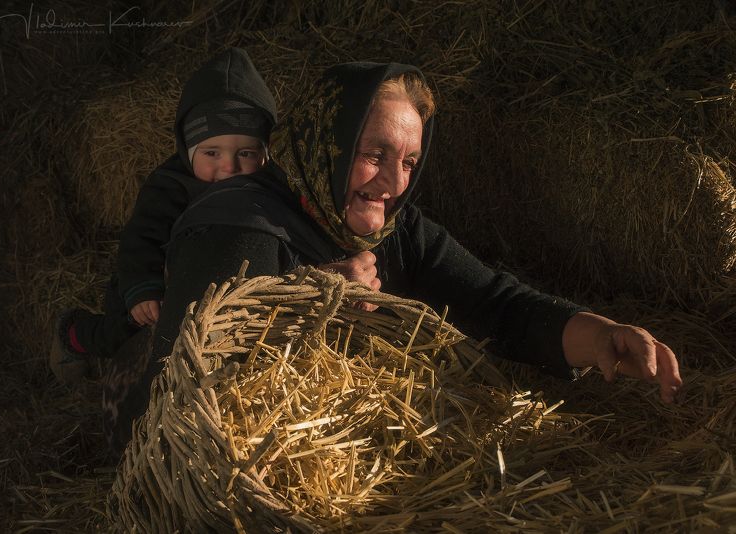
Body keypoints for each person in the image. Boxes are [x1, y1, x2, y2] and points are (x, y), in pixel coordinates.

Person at [101, 62, 683, 455]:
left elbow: (495, 304)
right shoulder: (238, 225)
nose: (394, 183)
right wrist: (311, 297)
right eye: (374, 155)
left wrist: (601, 335)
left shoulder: (397, 229)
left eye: (408, 162)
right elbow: (190, 392)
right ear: (325, 144)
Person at [49, 47, 277, 384]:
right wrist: (143, 289)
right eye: (212, 153)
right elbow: (141, 239)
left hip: (213, 287)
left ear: (265, 154)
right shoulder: (170, 186)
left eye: (245, 153)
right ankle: (74, 333)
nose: (229, 167)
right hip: (152, 278)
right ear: (188, 150)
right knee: (124, 335)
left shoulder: (270, 186)